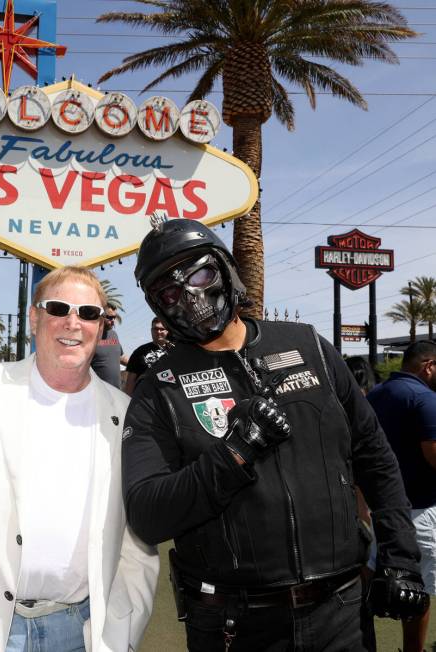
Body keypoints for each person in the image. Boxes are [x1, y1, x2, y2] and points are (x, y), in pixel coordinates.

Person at [122, 217, 428, 652]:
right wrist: (234, 454)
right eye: (169, 291)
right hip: (234, 624)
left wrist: (401, 560)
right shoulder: (159, 389)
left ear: (226, 268)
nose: (190, 296)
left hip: (341, 613)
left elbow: (374, 457)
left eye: (199, 274)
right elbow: (148, 514)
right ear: (156, 305)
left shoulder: (311, 347)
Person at [0, 266, 159, 652]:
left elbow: (137, 541)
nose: (74, 322)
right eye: (59, 308)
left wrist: (125, 625)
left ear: (101, 327)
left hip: (83, 632)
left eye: (88, 313)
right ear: (35, 318)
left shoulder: (126, 414)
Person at [367, 341, 436, 652]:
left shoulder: (376, 394)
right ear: (429, 365)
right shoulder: (425, 398)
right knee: (417, 590)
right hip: (418, 511)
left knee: (367, 585)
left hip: (375, 509)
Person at [125, 318, 172, 395]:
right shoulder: (139, 352)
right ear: (151, 331)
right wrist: (127, 399)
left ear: (167, 331)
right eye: (155, 329)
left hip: (168, 396)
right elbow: (131, 380)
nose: (158, 332)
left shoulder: (175, 350)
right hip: (144, 397)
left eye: (162, 329)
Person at [91, 303, 128, 389]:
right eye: (110, 317)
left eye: (114, 317)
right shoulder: (90, 336)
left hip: (116, 390)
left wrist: (137, 364)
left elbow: (120, 357)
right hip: (98, 392)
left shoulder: (113, 334)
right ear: (99, 316)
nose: (113, 320)